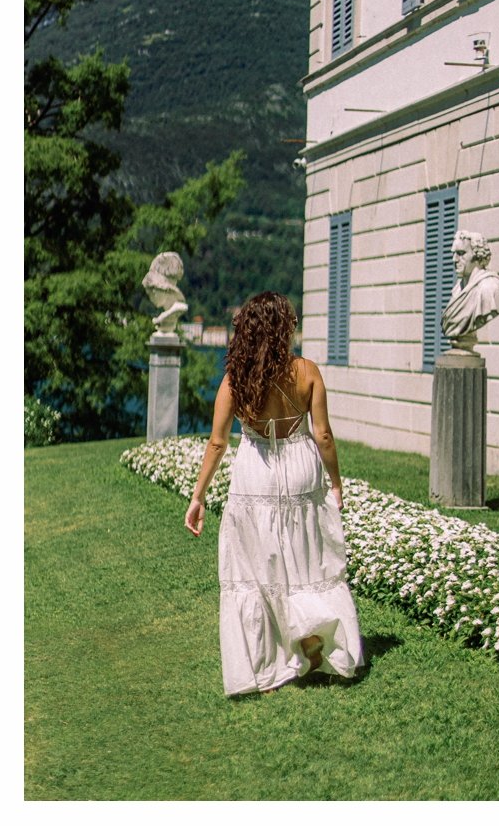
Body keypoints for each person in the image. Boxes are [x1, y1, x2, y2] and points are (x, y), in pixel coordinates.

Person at [185, 292, 364, 695]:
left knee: (256, 568)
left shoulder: (235, 380)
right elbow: (323, 435)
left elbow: (217, 443)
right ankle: (311, 639)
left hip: (256, 474)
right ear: (284, 329)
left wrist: (198, 497)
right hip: (301, 468)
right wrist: (335, 482)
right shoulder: (308, 371)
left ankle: (267, 664)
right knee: (305, 561)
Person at [441, 229, 499, 346]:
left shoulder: (490, 288)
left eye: (461, 253)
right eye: (453, 253)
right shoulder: (458, 288)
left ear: (477, 255)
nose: (454, 259)